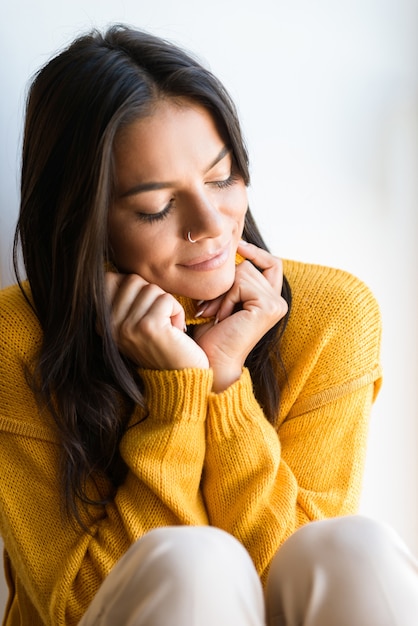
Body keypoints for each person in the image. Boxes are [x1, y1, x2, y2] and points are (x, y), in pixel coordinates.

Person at [0, 23, 417, 626]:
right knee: (193, 563)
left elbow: (293, 584)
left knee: (354, 548)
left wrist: (225, 384)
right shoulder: (17, 337)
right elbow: (74, 606)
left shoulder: (332, 315)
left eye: (221, 178)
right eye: (155, 207)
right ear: (84, 222)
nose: (211, 224)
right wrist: (177, 402)